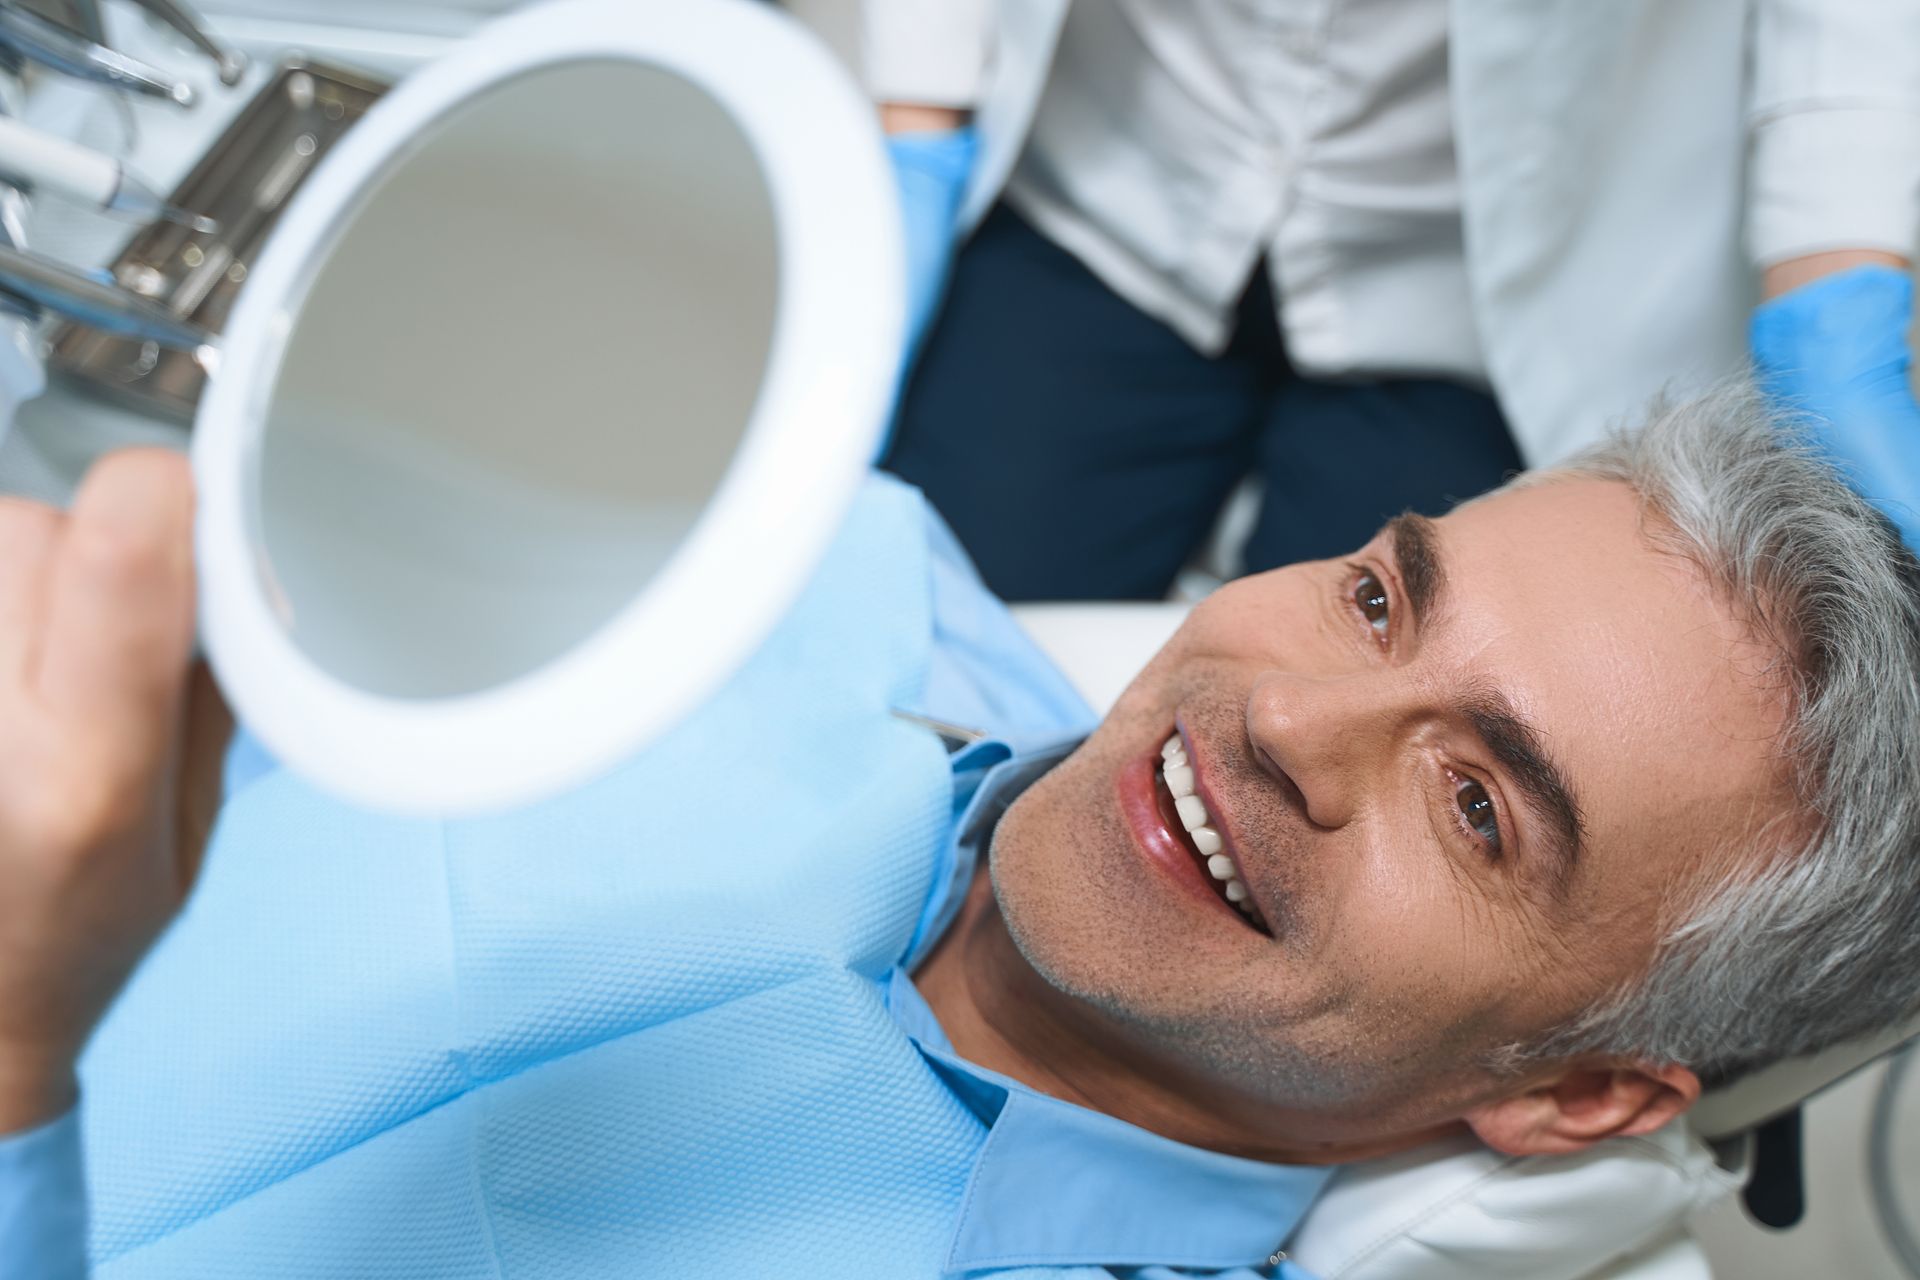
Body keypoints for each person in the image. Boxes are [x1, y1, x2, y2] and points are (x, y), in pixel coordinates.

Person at [3, 384, 1920, 1276]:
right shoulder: (796, 566)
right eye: (1378, 597)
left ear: (1577, 1095)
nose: (1285, 721)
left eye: (1480, 805)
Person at [870, 1, 1920, 601]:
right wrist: (917, 108)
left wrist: (1838, 267)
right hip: (1120, 169)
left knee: (1357, 793)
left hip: (1478, 282)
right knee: (914, 645)